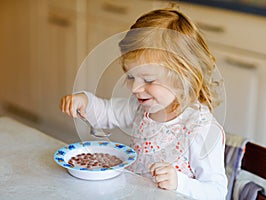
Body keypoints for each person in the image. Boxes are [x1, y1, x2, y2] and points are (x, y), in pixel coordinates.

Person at [60, 8, 227, 199]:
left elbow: (217, 192)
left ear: (184, 78)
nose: (136, 88)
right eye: (131, 76)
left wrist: (180, 183)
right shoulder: (141, 108)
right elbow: (107, 112)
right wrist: (85, 101)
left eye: (148, 80)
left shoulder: (200, 128)